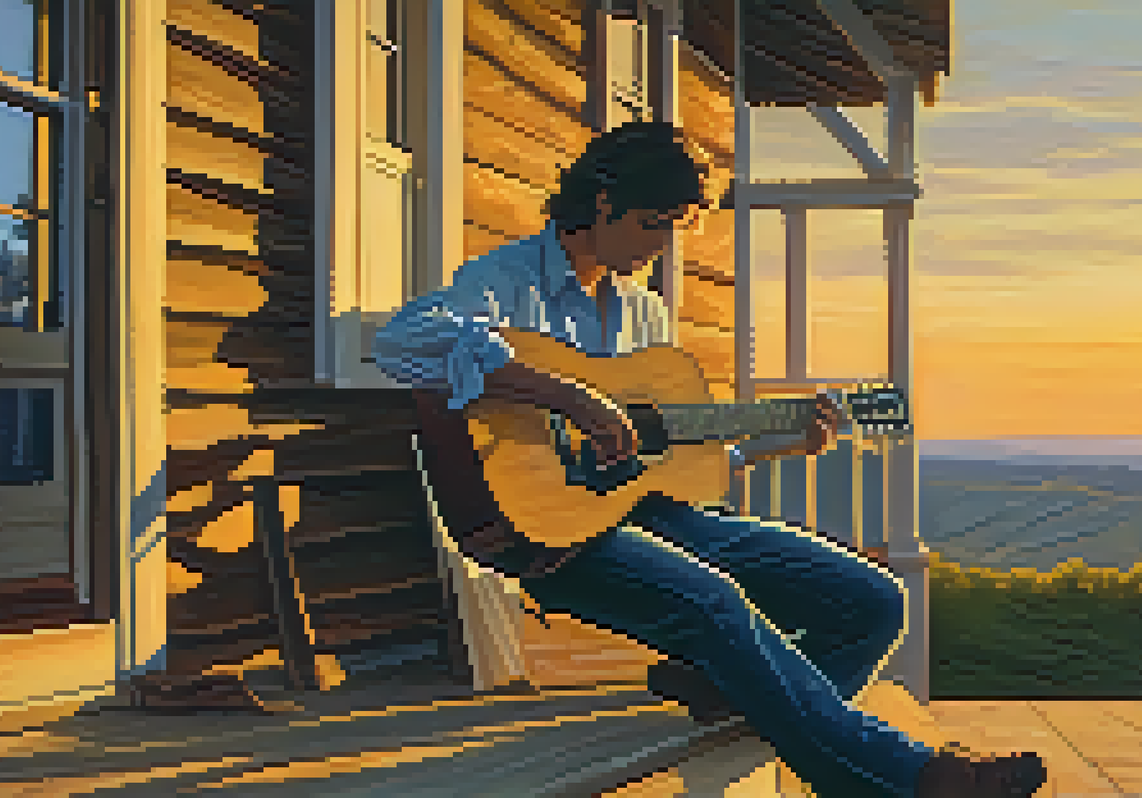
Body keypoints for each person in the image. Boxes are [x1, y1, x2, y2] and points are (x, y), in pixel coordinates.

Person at [371, 121, 1046, 798]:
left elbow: (675, 463)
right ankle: (907, 778)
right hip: (551, 537)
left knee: (873, 601)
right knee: (716, 602)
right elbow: (404, 341)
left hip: (651, 515)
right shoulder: (508, 280)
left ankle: (735, 687)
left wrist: (779, 441)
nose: (660, 246)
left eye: (672, 229)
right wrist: (567, 396)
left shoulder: (643, 315)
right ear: (603, 205)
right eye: (651, 225)